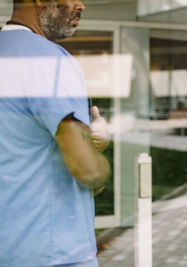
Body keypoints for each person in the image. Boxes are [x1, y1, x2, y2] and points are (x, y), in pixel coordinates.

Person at [0, 0, 111, 266]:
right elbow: (88, 172)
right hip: (53, 254)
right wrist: (98, 145)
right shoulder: (49, 59)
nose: (81, 5)